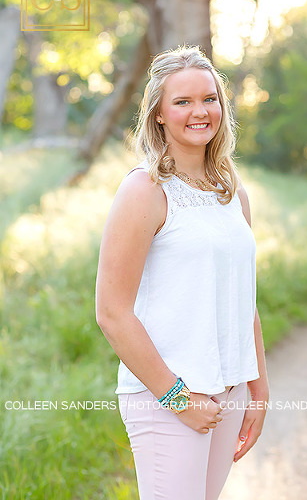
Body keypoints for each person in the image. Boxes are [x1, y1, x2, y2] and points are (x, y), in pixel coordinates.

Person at [95, 45, 269, 499]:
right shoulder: (143, 190)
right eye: (183, 101)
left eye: (209, 99)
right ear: (158, 114)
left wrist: (258, 392)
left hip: (227, 394)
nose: (200, 112)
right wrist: (178, 399)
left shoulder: (232, 193)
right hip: (166, 399)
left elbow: (243, 302)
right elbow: (112, 312)